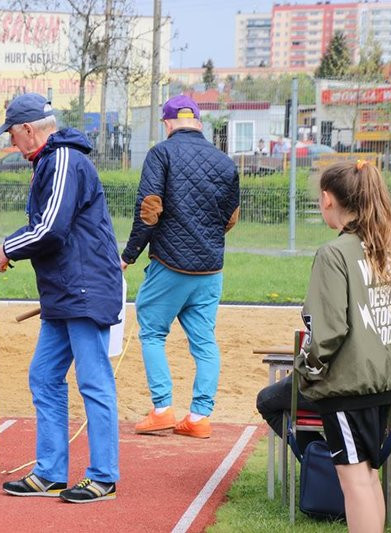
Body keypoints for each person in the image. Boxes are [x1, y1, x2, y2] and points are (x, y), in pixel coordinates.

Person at [0, 93, 122, 503]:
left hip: (84, 290)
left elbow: (51, 228)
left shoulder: (63, 158)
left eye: (12, 135)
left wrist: (8, 248)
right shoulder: (49, 161)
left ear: (29, 129)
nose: (12, 144)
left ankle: (103, 476)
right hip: (64, 292)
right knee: (44, 376)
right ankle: (50, 472)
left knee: (93, 381)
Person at [297, 160, 391, 532]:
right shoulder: (387, 250)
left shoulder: (335, 254)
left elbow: (327, 330)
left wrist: (307, 369)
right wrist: (376, 347)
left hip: (348, 385)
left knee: (354, 481)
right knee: (367, 475)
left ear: (329, 199)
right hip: (381, 382)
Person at [120, 94, 240, 439]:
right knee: (204, 341)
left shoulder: (161, 154)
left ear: (167, 124)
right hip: (210, 268)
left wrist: (128, 254)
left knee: (152, 332)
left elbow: (149, 209)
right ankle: (199, 416)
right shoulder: (224, 162)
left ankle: (162, 409)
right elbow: (230, 218)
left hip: (170, 264)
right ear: (198, 122)